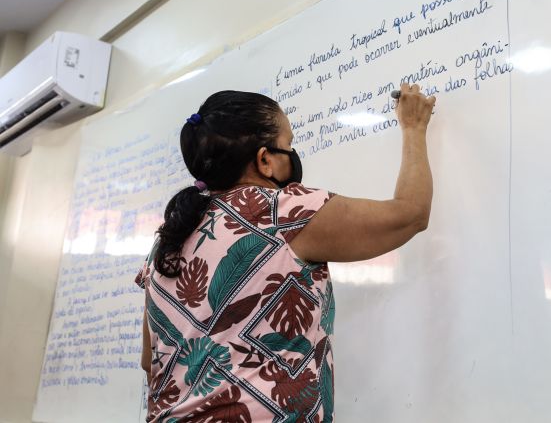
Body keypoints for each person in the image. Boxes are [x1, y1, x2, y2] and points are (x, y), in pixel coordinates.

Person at [135, 84, 435, 422]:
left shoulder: (166, 242)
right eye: (288, 144)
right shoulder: (284, 214)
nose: (292, 154)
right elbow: (410, 213)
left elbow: (150, 361)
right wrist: (414, 127)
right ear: (264, 159)